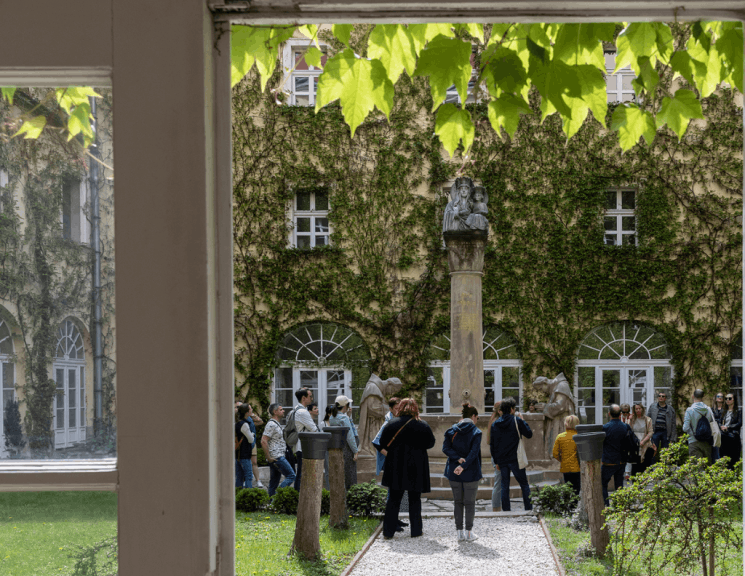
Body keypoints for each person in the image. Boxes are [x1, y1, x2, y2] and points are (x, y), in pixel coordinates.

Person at [377, 398, 435, 539]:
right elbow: (430, 443)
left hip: (396, 465)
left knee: (394, 500)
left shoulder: (391, 424)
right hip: (416, 466)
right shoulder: (423, 425)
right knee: (415, 499)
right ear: (415, 409)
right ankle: (416, 530)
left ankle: (388, 531)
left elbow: (383, 443)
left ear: (400, 408)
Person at [442, 403, 482, 542]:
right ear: (473, 416)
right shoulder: (476, 432)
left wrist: (458, 460)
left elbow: (445, 449)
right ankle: (469, 533)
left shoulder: (451, 430)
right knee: (470, 503)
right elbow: (474, 453)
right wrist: (464, 466)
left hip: (454, 470)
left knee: (457, 502)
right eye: (477, 417)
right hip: (471, 472)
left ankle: (459, 532)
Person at [490, 397, 533, 512]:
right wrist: (523, 420)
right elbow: (529, 434)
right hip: (515, 459)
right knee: (524, 484)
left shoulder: (495, 425)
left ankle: (506, 510)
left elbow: (492, 446)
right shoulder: (517, 421)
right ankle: (528, 508)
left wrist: (496, 461)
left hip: (502, 460)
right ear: (512, 409)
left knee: (505, 486)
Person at [358, 374, 403, 457]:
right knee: (375, 449)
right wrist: (390, 410)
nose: (392, 393)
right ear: (390, 385)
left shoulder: (376, 388)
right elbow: (373, 408)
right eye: (393, 390)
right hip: (372, 425)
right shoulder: (373, 388)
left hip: (376, 423)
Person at [261, 403, 296, 496]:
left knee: (274, 481)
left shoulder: (275, 424)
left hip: (276, 456)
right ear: (275, 412)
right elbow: (263, 441)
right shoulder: (271, 424)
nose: (283, 411)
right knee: (291, 476)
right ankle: (277, 496)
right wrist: (268, 457)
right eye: (281, 409)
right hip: (277, 456)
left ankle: (271, 503)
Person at [601, 404, 631, 507]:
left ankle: (606, 505)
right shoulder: (625, 427)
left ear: (609, 414)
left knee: (603, 484)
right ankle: (620, 506)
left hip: (608, 461)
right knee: (619, 485)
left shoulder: (605, 428)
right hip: (621, 460)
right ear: (620, 414)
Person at [290, 387, 318, 491]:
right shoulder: (302, 412)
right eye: (310, 396)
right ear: (303, 398)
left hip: (300, 446)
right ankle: (300, 497)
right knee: (303, 474)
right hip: (304, 447)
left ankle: (298, 496)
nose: (312, 398)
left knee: (301, 473)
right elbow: (314, 429)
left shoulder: (296, 409)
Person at [328, 395, 359, 491]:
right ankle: (351, 497)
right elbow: (350, 436)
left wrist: (349, 416)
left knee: (343, 474)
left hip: (339, 448)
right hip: (348, 448)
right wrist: (355, 451)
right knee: (351, 475)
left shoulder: (333, 417)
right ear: (345, 406)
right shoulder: (343, 418)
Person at [682, 389, 715, 464]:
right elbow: (712, 424)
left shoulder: (689, 410)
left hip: (693, 442)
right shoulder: (708, 409)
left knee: (696, 468)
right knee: (707, 466)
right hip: (707, 441)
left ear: (693, 396)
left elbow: (685, 428)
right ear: (703, 398)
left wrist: (693, 434)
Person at [372, 397, 401, 477]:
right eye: (396, 408)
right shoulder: (388, 423)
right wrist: (390, 455)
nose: (399, 411)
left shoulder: (399, 419)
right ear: (390, 409)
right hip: (391, 462)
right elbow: (376, 443)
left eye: (400, 408)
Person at [552, 414, 580, 495]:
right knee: (576, 488)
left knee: (567, 487)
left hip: (565, 467)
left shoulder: (560, 437)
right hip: (577, 467)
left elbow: (555, 453)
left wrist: (562, 460)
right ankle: (573, 505)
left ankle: (566, 505)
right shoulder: (579, 436)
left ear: (565, 424)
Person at [627, 403, 655, 479]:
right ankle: (634, 484)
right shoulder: (632, 419)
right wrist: (629, 419)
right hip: (634, 444)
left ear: (642, 409)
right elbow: (627, 430)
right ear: (634, 410)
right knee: (635, 465)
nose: (638, 410)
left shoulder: (648, 419)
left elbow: (650, 432)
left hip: (645, 444)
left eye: (639, 408)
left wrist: (643, 441)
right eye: (636, 409)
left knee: (644, 465)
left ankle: (643, 483)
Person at [648, 390, 676, 459]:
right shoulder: (652, 407)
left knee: (665, 452)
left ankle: (664, 467)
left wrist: (672, 438)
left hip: (665, 432)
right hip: (655, 431)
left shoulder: (670, 409)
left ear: (665, 398)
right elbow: (648, 419)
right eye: (659, 396)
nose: (661, 397)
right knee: (653, 450)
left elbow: (673, 424)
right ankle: (652, 467)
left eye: (663, 396)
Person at [485, 401, 503, 512]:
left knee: (498, 481)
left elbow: (488, 441)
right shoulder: (497, 422)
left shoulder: (492, 419)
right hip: (498, 455)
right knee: (498, 482)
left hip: (495, 454)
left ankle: (497, 506)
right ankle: (496, 507)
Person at [719, 393, 742, 469]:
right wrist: (721, 426)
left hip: (733, 437)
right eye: (726, 399)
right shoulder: (723, 411)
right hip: (724, 437)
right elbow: (719, 421)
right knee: (724, 457)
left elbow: (739, 423)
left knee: (734, 458)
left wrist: (728, 427)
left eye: (729, 398)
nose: (727, 400)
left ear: (733, 400)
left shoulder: (738, 411)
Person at [235, 404, 255, 488]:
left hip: (238, 454)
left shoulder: (237, 423)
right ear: (246, 413)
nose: (252, 410)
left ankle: (238, 496)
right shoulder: (244, 424)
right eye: (250, 409)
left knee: (239, 477)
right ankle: (247, 496)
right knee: (248, 476)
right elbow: (251, 440)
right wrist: (253, 434)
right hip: (245, 454)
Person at [246, 405, 265, 489]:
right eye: (250, 408)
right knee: (245, 463)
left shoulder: (250, 419)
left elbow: (260, 422)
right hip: (244, 444)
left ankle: (258, 480)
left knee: (254, 462)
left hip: (252, 443)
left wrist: (252, 414)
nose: (252, 409)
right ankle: (245, 480)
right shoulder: (242, 419)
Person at [712, 393, 725, 461]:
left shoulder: (725, 409)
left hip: (723, 432)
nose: (720, 398)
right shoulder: (712, 409)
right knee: (716, 449)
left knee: (723, 450)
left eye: (721, 396)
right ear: (716, 398)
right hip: (715, 432)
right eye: (718, 396)